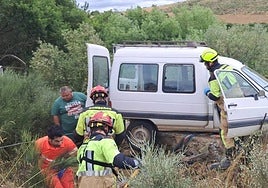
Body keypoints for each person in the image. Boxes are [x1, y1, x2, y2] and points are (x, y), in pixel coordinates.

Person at [200, 48, 243, 170]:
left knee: (225, 133)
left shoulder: (214, 77)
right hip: (240, 103)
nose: (205, 65)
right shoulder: (227, 68)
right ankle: (241, 153)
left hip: (228, 108)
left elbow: (215, 96)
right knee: (238, 130)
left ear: (210, 63)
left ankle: (230, 159)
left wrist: (207, 92)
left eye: (205, 63)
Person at [76, 112, 140, 188]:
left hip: (83, 183)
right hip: (99, 183)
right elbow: (118, 160)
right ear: (106, 128)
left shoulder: (84, 146)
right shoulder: (105, 141)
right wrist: (137, 163)